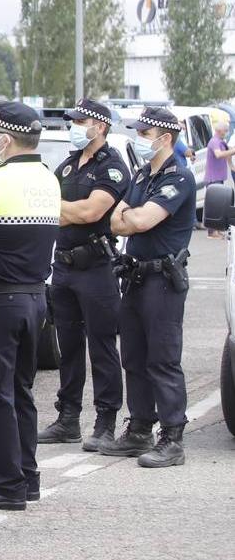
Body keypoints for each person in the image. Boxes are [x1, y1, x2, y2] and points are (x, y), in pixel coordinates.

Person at [0, 102, 60, 512]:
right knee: (21, 390)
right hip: (36, 298)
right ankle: (27, 476)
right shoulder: (50, 180)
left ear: (3, 138)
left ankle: (6, 484)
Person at [101, 106, 196, 468]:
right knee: (134, 358)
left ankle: (172, 436)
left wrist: (130, 218)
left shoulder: (180, 177)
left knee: (163, 359)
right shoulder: (143, 174)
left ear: (165, 138)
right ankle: (140, 428)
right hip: (136, 275)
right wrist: (129, 218)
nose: (141, 139)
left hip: (163, 280)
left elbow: (140, 220)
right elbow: (117, 221)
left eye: (145, 134)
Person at [37, 99, 127, 451]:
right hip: (64, 267)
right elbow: (54, 213)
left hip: (95, 269)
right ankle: (68, 418)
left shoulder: (113, 167)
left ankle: (105, 421)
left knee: (103, 347)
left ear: (100, 126)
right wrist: (67, 211)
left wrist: (63, 209)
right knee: (69, 348)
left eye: (81, 120)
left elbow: (93, 211)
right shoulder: (68, 166)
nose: (75, 125)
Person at [204, 119, 234, 236]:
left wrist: (231, 166)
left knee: (218, 205)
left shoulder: (221, 141)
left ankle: (215, 230)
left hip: (218, 176)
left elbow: (227, 154)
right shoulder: (214, 141)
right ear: (218, 130)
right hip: (213, 177)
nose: (226, 132)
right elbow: (219, 154)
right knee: (213, 205)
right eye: (224, 131)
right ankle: (212, 231)